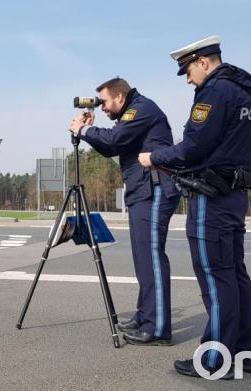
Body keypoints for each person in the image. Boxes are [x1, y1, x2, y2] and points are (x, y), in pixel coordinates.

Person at [138, 35, 251, 378]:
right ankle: (245, 353)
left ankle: (215, 360)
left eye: (189, 72)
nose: (189, 80)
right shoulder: (249, 94)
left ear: (203, 62)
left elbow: (193, 147)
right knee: (235, 274)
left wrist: (154, 157)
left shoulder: (215, 91)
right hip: (235, 194)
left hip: (212, 196)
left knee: (215, 277)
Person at [69, 77, 180, 346]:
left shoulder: (140, 109)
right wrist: (87, 132)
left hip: (153, 191)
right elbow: (111, 148)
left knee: (151, 258)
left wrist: (84, 130)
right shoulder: (131, 114)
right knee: (143, 259)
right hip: (142, 191)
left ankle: (157, 328)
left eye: (105, 101)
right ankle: (145, 315)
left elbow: (115, 138)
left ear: (120, 96)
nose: (102, 107)